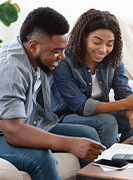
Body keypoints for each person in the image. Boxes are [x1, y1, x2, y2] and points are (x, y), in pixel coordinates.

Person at [0, 7, 106, 180]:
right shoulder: (11, 68)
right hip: (5, 133)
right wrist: (70, 144)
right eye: (57, 51)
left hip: (29, 123)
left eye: (64, 49)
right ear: (33, 45)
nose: (62, 56)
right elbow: (12, 131)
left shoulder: (35, 55)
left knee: (89, 135)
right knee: (43, 159)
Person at [50, 8, 133, 149]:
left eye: (109, 44)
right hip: (64, 117)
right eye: (97, 42)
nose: (103, 50)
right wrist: (125, 103)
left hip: (94, 115)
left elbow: (123, 93)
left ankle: (125, 160)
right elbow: (80, 106)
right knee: (108, 122)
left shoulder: (113, 59)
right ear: (84, 37)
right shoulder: (64, 60)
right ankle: (103, 167)